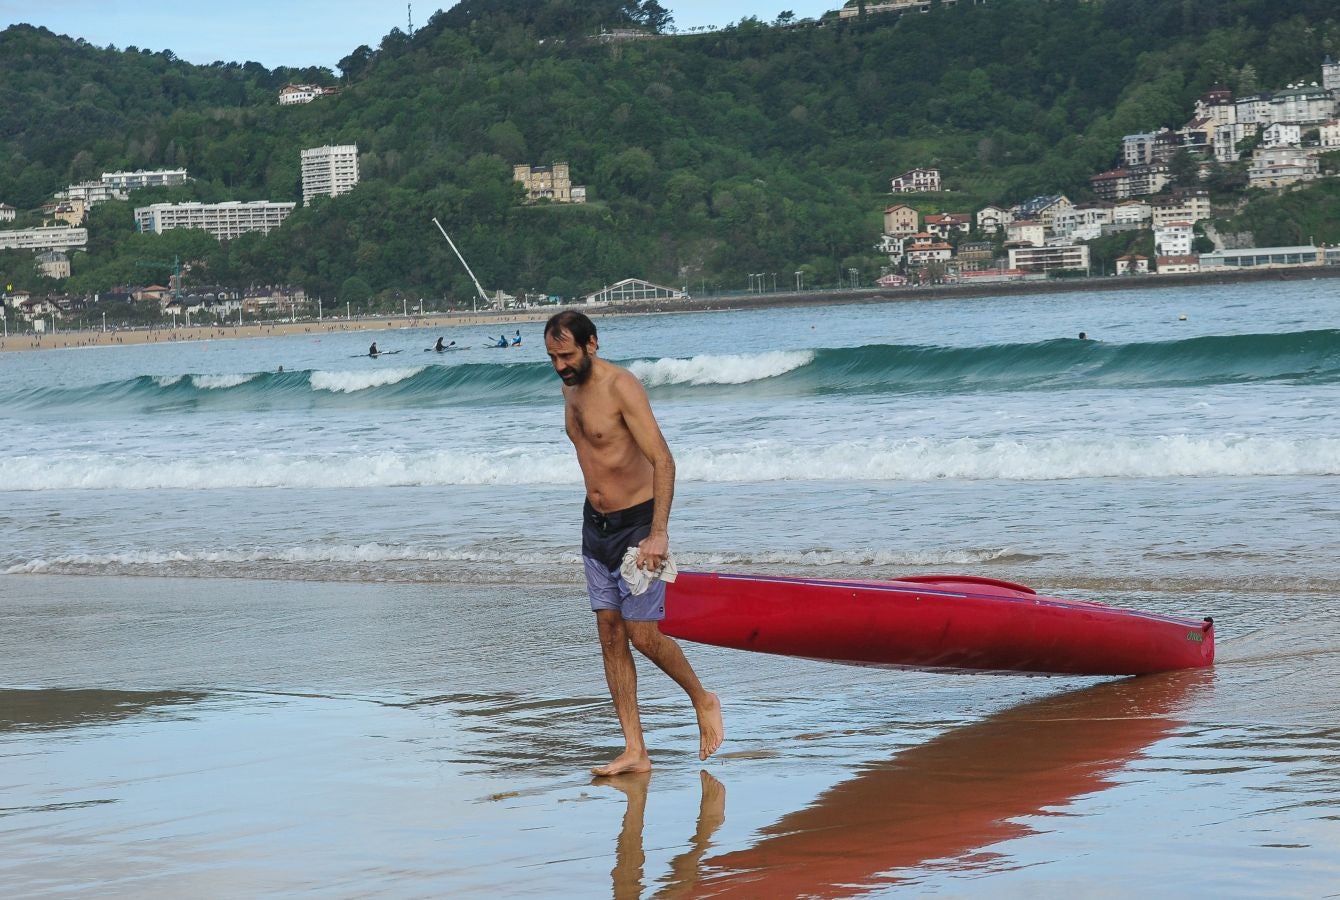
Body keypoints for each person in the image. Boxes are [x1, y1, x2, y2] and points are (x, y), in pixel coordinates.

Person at [544, 310, 723, 776]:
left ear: (592, 344)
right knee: (609, 632)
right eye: (552, 357)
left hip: (637, 528)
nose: (560, 365)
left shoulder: (622, 386)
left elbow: (663, 459)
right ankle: (634, 750)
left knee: (643, 634)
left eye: (566, 355)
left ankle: (702, 699)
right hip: (595, 527)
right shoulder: (569, 390)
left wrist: (658, 532)